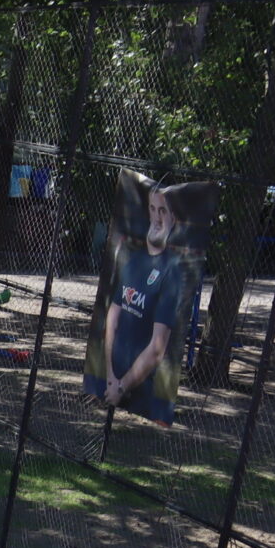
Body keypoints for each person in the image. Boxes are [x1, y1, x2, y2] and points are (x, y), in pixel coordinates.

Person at [100, 182, 187, 425]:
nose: (157, 218)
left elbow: (157, 349)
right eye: (153, 209)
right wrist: (110, 375)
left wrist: (122, 386)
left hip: (137, 397)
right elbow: (112, 317)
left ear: (173, 219)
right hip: (109, 382)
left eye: (163, 211)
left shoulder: (172, 272)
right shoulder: (134, 261)